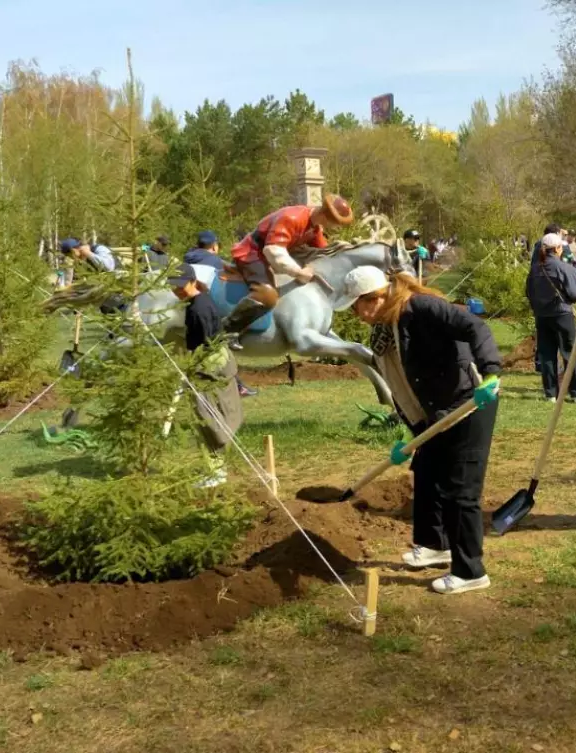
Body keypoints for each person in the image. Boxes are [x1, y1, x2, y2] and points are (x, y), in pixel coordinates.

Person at [342, 266, 502, 594]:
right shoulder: (385, 330)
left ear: (372, 299)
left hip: (469, 404)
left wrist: (490, 373)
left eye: (355, 306)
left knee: (461, 490)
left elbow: (475, 326)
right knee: (428, 474)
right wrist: (409, 431)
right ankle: (436, 545)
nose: (355, 314)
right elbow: (403, 384)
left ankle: (471, 571)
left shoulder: (420, 308)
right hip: (433, 414)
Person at [226, 194, 355, 334]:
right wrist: (298, 272)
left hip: (269, 255)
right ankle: (227, 329)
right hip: (252, 253)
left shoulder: (315, 228)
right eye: (335, 223)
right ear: (326, 216)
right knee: (267, 295)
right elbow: (273, 250)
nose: (336, 227)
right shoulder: (292, 218)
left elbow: (322, 252)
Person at [168, 263, 243, 488]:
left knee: (206, 414)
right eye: (174, 287)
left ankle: (216, 472)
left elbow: (201, 343)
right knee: (216, 411)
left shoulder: (197, 309)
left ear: (192, 282)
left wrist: (190, 366)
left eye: (181, 286)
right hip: (218, 360)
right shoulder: (200, 300)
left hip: (209, 365)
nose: (177, 291)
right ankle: (217, 465)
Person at [526, 232, 576, 403]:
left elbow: (528, 293)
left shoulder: (534, 269)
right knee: (570, 353)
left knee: (547, 354)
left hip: (542, 316)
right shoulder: (564, 268)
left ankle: (551, 393)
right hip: (562, 314)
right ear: (558, 249)